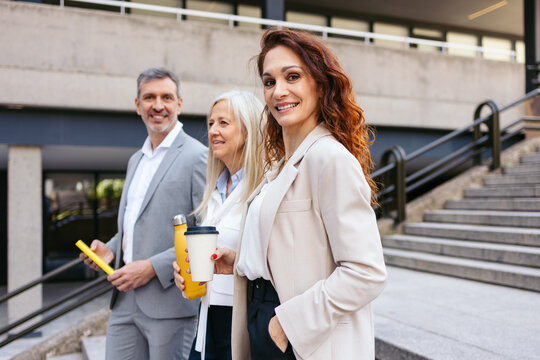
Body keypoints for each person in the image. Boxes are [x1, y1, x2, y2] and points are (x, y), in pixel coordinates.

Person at [212, 28, 387, 360]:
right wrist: (239, 261)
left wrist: (285, 326)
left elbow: (366, 272)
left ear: (319, 84)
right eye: (269, 81)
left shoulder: (330, 158)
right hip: (262, 316)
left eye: (292, 76)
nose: (279, 91)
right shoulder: (280, 165)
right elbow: (292, 248)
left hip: (304, 337)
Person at [80, 68, 207, 360]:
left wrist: (150, 267)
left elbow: (205, 232)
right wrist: (109, 249)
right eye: (149, 97)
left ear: (180, 104)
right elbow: (133, 225)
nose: (158, 105)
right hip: (124, 302)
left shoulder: (197, 156)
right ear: (138, 105)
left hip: (171, 305)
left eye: (166, 97)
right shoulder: (135, 160)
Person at [173, 90, 266, 360]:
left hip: (242, 320)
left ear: (248, 131)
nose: (213, 130)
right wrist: (185, 274)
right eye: (211, 123)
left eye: (224, 123)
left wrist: (235, 261)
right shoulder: (214, 190)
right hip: (207, 316)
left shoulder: (264, 189)